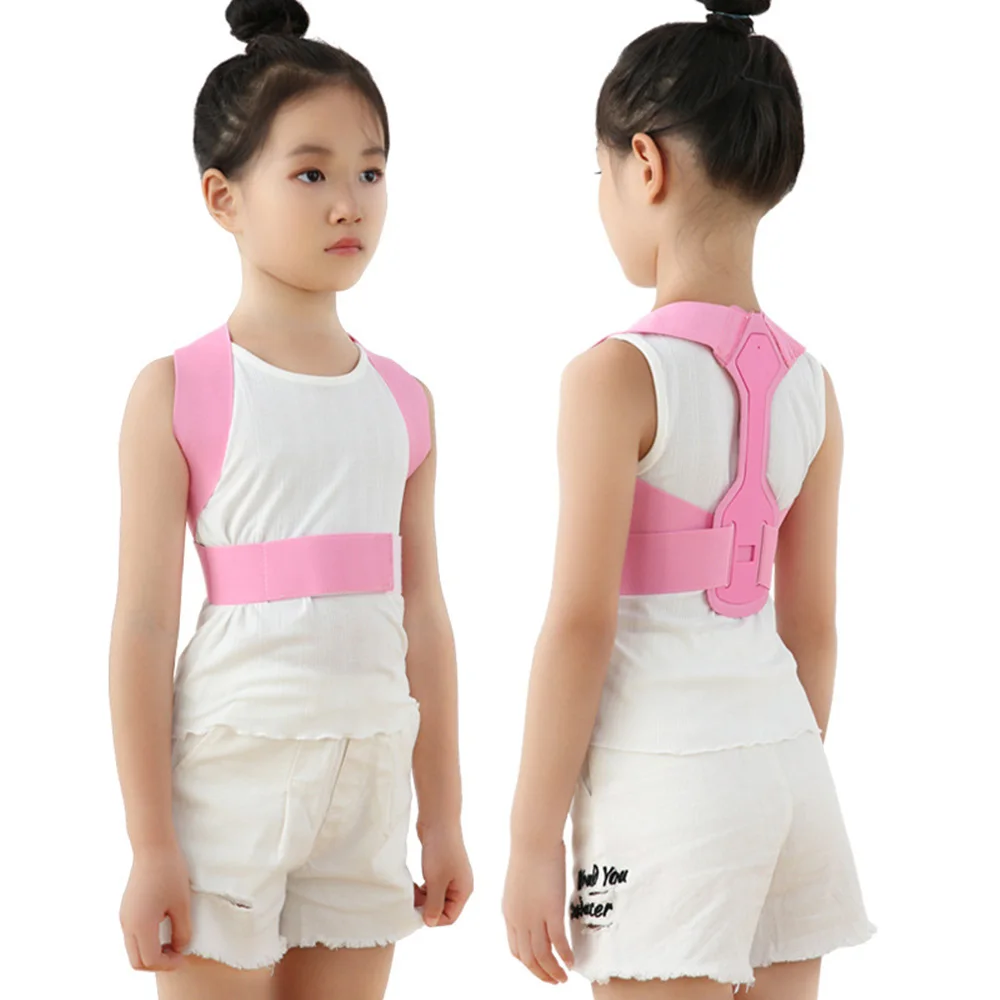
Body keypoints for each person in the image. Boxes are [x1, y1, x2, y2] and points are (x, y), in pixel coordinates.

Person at [502, 2, 875, 997]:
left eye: (598, 174)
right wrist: (765, 774)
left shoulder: (615, 377)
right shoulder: (812, 386)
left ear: (646, 164)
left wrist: (532, 840)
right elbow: (812, 629)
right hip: (791, 772)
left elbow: (579, 625)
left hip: (664, 785)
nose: (601, 199)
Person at [108, 2, 472, 997]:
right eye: (311, 173)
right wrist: (150, 844)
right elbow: (143, 626)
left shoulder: (405, 399)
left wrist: (441, 815)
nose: (349, 203)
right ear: (223, 197)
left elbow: (424, 615)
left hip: (369, 783)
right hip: (233, 778)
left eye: (371, 171)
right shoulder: (179, 389)